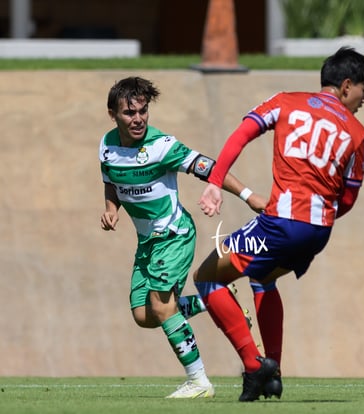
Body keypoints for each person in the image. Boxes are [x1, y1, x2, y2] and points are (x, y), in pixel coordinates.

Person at [193, 47, 364, 402]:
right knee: (263, 279)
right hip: (317, 231)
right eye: (363, 90)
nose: (363, 99)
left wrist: (215, 181)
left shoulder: (285, 102)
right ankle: (274, 373)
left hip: (280, 224)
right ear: (345, 86)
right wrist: (319, 217)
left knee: (206, 277)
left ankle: (254, 365)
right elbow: (349, 198)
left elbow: (241, 135)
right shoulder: (357, 133)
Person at [99, 76, 266, 399]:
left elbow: (210, 168)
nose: (138, 119)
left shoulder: (162, 146)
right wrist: (110, 208)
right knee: (144, 315)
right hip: (147, 243)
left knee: (161, 307)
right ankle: (214, 301)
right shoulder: (106, 146)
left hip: (174, 235)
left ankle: (199, 381)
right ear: (113, 115)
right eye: (129, 113)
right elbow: (110, 179)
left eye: (143, 111)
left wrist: (249, 196)